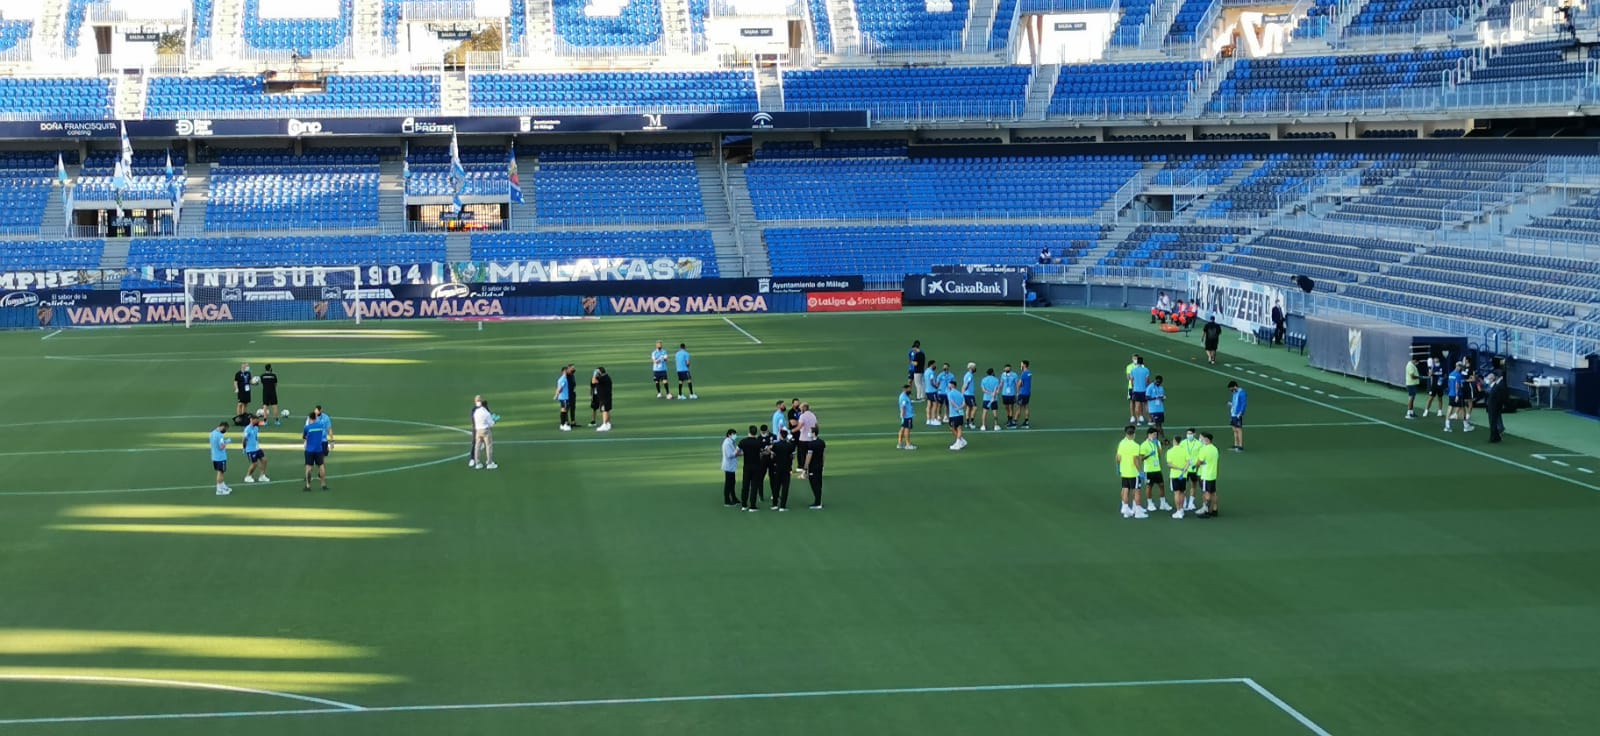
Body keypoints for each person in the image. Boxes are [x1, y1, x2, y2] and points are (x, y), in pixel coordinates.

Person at [1116, 425, 1148, 519]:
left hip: (1124, 471)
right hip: (1133, 473)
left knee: (1125, 490)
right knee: (1137, 491)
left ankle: (1126, 510)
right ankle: (1137, 512)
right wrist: (1140, 471)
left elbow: (1118, 458)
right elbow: (1135, 460)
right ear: (1133, 434)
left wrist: (1119, 467)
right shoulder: (1135, 445)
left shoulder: (1122, 444)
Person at [1140, 427, 1170, 513]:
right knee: (1149, 487)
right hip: (1148, 470)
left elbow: (1160, 454)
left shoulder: (1157, 442)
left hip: (1157, 469)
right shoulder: (1144, 445)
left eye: (1156, 435)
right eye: (1154, 435)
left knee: (1161, 485)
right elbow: (1142, 458)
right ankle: (1150, 504)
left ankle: (1163, 503)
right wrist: (1149, 454)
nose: (1155, 436)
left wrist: (1157, 445)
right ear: (1149, 435)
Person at [737, 425, 764, 512]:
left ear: (749, 431)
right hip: (756, 466)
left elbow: (736, 452)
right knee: (754, 486)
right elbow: (763, 451)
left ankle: (744, 505)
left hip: (747, 466)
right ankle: (752, 506)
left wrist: (743, 454)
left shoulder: (743, 441)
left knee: (745, 485)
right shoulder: (758, 442)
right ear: (756, 432)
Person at [1194, 432, 1221, 518]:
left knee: (1206, 493)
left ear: (1207, 440)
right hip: (1213, 474)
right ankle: (1215, 509)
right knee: (1213, 492)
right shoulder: (1215, 449)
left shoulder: (1204, 449)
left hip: (1205, 475)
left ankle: (1206, 510)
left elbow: (1199, 462)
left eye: (1203, 439)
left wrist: (1196, 466)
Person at [768, 428, 794, 510]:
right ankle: (782, 506)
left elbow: (769, 450)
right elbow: (792, 456)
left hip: (777, 468)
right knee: (785, 488)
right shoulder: (790, 445)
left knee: (776, 487)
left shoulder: (776, 445)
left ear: (780, 436)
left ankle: (774, 504)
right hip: (786, 468)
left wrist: (772, 454)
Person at [1166, 435, 1192, 519]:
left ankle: (1178, 511)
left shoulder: (1170, 451)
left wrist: (1178, 468)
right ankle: (1181, 510)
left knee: (1176, 493)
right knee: (1182, 492)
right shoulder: (1185, 451)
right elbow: (1188, 462)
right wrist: (1184, 470)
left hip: (1174, 476)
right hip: (1183, 476)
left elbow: (1169, 464)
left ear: (1174, 441)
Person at [302, 410, 329, 492]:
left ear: (310, 418)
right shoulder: (320, 426)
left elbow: (304, 437)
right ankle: (323, 484)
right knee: (321, 466)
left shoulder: (307, 428)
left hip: (309, 450)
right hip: (319, 449)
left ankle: (308, 486)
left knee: (308, 468)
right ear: (316, 418)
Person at [804, 425, 827, 509]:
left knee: (814, 484)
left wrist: (805, 467)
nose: (809, 433)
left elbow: (809, 456)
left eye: (810, 432)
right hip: (819, 465)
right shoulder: (822, 442)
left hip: (813, 467)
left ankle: (817, 503)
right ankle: (819, 500)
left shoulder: (811, 444)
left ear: (813, 433)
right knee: (819, 483)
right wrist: (823, 464)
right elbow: (824, 455)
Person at [242, 414, 269, 483]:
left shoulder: (256, 428)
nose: (257, 421)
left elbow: (256, 437)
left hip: (257, 448)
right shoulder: (247, 429)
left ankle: (262, 476)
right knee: (254, 464)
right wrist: (244, 448)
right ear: (251, 420)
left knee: (264, 460)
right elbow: (244, 439)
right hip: (250, 449)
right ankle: (248, 476)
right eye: (256, 420)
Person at [472, 397, 497, 469]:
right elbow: (491, 424)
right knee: (488, 446)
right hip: (485, 430)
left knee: (477, 447)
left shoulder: (476, 411)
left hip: (478, 430)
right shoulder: (486, 413)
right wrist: (494, 421)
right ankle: (489, 463)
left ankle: (478, 463)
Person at [210, 421, 231, 496]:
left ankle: (223, 486)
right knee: (220, 472)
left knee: (220, 472)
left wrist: (224, 441)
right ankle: (219, 490)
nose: (225, 431)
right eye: (225, 429)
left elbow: (216, 443)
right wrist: (227, 442)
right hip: (220, 457)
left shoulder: (212, 433)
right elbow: (221, 447)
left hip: (214, 456)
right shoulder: (219, 435)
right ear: (222, 427)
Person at [1444, 361, 1467, 432]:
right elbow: (1457, 385)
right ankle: (1466, 426)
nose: (1461, 368)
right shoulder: (1458, 375)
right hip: (1457, 394)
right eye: (1461, 367)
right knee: (1463, 409)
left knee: (1450, 408)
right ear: (1459, 366)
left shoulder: (1451, 374)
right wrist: (1457, 395)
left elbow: (1449, 384)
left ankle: (1447, 425)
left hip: (1451, 393)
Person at [795, 402, 818, 473]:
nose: (800, 410)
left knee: (803, 456)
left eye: (801, 408)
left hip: (803, 439)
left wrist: (792, 431)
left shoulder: (802, 416)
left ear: (804, 408)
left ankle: (804, 471)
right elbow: (816, 426)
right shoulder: (813, 415)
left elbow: (800, 426)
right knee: (811, 455)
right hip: (811, 439)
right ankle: (810, 470)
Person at [1486, 371, 1508, 443]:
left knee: (1493, 422)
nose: (1487, 380)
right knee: (1493, 422)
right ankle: (1496, 436)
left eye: (1489, 378)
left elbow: (1499, 398)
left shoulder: (1496, 387)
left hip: (1494, 407)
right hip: (1492, 407)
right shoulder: (1494, 386)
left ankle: (1493, 437)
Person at [945, 379, 967, 451]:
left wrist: (956, 408)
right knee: (957, 428)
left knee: (955, 428)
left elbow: (952, 402)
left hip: (954, 414)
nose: (948, 385)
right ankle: (961, 440)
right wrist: (960, 408)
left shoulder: (950, 393)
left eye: (949, 384)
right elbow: (964, 403)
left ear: (952, 385)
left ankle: (958, 443)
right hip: (960, 413)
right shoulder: (960, 393)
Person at [1129, 356, 1151, 426]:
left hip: (1136, 390)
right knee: (1146, 405)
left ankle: (1138, 421)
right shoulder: (1146, 370)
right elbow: (1147, 381)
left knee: (1137, 405)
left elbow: (1132, 381)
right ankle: (1149, 420)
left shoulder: (1133, 370)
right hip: (1144, 390)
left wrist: (1133, 388)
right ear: (1142, 362)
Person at [720, 429, 740, 507]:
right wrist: (738, 452)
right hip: (728, 466)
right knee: (729, 483)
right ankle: (727, 500)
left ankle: (734, 498)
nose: (735, 436)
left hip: (731, 466)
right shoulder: (727, 443)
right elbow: (729, 455)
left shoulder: (730, 442)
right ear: (729, 435)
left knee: (732, 482)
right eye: (733, 434)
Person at [1227, 381, 1247, 451]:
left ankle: (1240, 446)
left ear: (1235, 386)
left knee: (1239, 429)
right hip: (1233, 413)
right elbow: (1234, 402)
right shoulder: (1234, 393)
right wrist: (1231, 404)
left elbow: (1243, 404)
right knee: (1234, 429)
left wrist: (1241, 413)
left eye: (1231, 389)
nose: (1231, 390)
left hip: (1238, 414)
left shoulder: (1242, 393)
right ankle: (1236, 445)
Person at [897, 383, 917, 450]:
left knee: (902, 429)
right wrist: (903, 415)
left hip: (906, 416)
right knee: (907, 430)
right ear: (905, 389)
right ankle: (908, 444)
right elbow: (903, 407)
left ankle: (900, 443)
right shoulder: (904, 397)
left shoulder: (904, 396)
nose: (910, 390)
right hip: (907, 416)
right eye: (909, 389)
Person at [593, 367, 613, 432]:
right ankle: (607, 423)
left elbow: (593, 381)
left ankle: (604, 424)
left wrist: (594, 374)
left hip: (604, 397)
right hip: (606, 396)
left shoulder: (603, 378)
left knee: (604, 410)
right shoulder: (607, 377)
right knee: (607, 410)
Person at [1000, 364, 1019, 429]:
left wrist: (1017, 392)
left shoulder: (1014, 375)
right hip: (1004, 393)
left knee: (1011, 407)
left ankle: (1011, 421)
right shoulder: (1003, 375)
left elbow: (1017, 384)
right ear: (1004, 369)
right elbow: (1001, 383)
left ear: (1010, 369)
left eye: (1008, 368)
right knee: (1006, 407)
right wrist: (998, 390)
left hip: (1011, 393)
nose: (1007, 369)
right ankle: (1008, 419)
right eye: (1006, 368)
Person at [554, 364, 573, 431]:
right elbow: (560, 388)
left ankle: (563, 424)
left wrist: (556, 395)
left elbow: (558, 387)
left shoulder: (560, 379)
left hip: (562, 397)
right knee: (564, 410)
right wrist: (556, 395)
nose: (569, 371)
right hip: (564, 397)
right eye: (567, 370)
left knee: (564, 410)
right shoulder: (564, 379)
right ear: (565, 371)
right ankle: (563, 424)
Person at [923, 359, 941, 425]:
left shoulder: (926, 371)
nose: (935, 366)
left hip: (927, 391)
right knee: (935, 405)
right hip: (932, 391)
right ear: (932, 365)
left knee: (929, 405)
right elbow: (931, 381)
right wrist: (936, 386)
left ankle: (928, 420)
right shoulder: (931, 372)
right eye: (934, 364)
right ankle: (933, 419)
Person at [468, 395, 485, 466]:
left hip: (484, 429)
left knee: (488, 445)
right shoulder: (474, 409)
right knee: (474, 444)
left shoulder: (484, 408)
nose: (479, 402)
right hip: (476, 429)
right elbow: (473, 419)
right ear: (475, 401)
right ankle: (472, 459)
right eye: (478, 400)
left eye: (480, 400)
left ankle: (489, 461)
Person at [1017, 359, 1032, 429]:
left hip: (1022, 393)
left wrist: (1018, 390)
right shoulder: (1029, 372)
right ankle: (1026, 422)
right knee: (1026, 407)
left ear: (1024, 365)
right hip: (1028, 392)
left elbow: (1020, 383)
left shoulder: (1024, 373)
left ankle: (1014, 421)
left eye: (1021, 364)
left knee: (1019, 407)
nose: (1021, 365)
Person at [1124, 354, 1139, 423]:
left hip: (1140, 387)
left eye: (1136, 358)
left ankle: (1139, 416)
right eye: (1134, 358)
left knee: (1139, 402)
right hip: (1131, 387)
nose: (1135, 360)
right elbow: (1128, 377)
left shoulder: (1141, 366)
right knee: (1132, 401)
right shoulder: (1129, 366)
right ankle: (1132, 416)